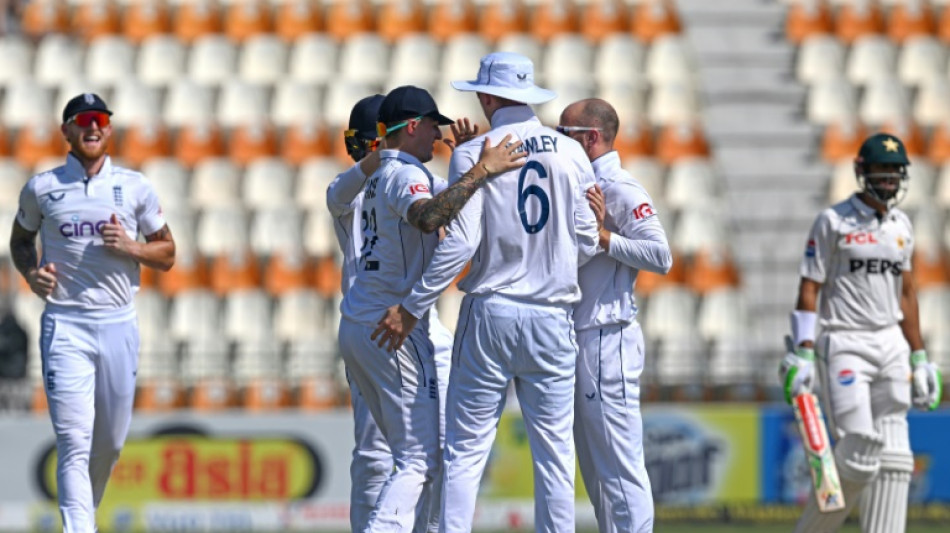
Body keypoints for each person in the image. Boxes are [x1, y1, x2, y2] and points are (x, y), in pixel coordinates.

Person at [373, 52, 601, 533]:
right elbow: (584, 242)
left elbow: (459, 242)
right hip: (553, 315)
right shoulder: (572, 153)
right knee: (555, 455)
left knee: (467, 449)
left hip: (492, 313)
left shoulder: (476, 151)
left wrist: (414, 306)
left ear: (491, 95)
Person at [329, 85, 526, 532]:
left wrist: (467, 166)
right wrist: (480, 169)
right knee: (416, 458)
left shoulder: (374, 178)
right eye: (432, 125)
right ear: (412, 127)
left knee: (407, 456)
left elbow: (443, 199)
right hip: (393, 325)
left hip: (363, 323)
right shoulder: (401, 175)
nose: (439, 134)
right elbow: (430, 216)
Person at [8, 93, 175, 533]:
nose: (93, 127)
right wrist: (31, 274)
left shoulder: (135, 186)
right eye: (83, 120)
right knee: (73, 441)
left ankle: (86, 514)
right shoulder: (42, 187)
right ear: (66, 130)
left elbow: (168, 253)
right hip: (65, 324)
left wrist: (132, 247)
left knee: (110, 443)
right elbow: (20, 241)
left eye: (100, 119)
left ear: (110, 129)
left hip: (119, 323)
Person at [781, 133, 942, 533]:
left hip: (891, 343)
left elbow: (906, 293)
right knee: (859, 454)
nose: (889, 180)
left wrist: (920, 357)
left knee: (897, 460)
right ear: (861, 172)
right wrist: (803, 350)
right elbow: (809, 285)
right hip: (844, 341)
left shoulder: (902, 225)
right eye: (881, 171)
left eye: (895, 173)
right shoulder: (833, 221)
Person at [558, 99, 672, 533]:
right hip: (582, 335)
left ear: (591, 137)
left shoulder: (621, 187)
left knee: (619, 466)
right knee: (596, 469)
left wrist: (605, 237)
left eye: (564, 133)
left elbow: (660, 255)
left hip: (608, 336)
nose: (556, 139)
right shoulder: (581, 182)